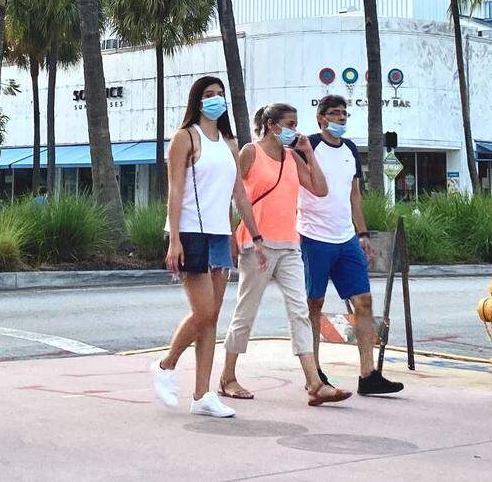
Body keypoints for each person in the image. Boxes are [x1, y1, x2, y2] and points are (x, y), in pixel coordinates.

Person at [218, 103, 352, 407]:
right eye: (290, 123)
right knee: (246, 312)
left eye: (296, 123)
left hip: (290, 244)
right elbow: (235, 196)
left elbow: (320, 189)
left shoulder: (293, 156)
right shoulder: (250, 152)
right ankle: (227, 377)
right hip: (257, 245)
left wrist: (308, 152)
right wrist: (250, 236)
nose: (295, 129)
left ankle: (314, 383)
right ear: (271, 124)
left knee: (300, 311)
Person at [150, 76, 267, 419]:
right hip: (189, 232)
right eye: (209, 95)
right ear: (197, 101)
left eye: (220, 94)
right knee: (202, 312)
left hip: (219, 234)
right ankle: (165, 365)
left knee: (213, 316)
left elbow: (240, 195)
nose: (216, 100)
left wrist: (256, 238)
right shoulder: (185, 138)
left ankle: (202, 394)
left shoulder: (230, 144)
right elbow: (174, 190)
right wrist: (173, 239)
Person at [301, 95, 404, 396]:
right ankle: (315, 372)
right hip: (313, 236)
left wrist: (362, 233)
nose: (340, 119)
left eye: (344, 114)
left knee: (364, 302)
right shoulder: (307, 146)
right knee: (313, 305)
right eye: (334, 114)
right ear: (320, 118)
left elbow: (354, 195)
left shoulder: (349, 149)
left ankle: (368, 374)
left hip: (346, 238)